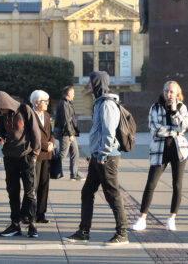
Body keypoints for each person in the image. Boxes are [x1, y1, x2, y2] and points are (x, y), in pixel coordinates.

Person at [65, 71, 129, 246]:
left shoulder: (107, 104)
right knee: (87, 192)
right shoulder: (100, 103)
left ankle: (122, 233)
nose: (88, 85)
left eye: (91, 82)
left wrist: (102, 154)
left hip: (106, 156)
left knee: (112, 194)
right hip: (98, 155)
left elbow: (109, 132)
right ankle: (83, 232)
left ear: (98, 84)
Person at [130, 80, 188, 232]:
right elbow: (154, 130)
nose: (168, 94)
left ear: (177, 93)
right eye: (166, 91)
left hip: (179, 150)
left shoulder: (181, 107)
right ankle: (142, 219)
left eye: (172, 91)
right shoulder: (155, 107)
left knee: (177, 185)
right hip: (159, 150)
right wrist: (174, 131)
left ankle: (171, 218)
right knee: (151, 184)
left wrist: (174, 112)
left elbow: (184, 126)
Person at [0, 90, 42, 238]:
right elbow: (0, 133)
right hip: (9, 157)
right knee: (12, 191)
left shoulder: (24, 109)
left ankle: (32, 224)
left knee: (29, 191)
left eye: (2, 108)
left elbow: (35, 131)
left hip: (26, 156)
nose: (1, 112)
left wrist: (35, 153)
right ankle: (15, 224)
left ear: (6, 104)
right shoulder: (2, 115)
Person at [26, 90, 54, 224]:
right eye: (44, 101)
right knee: (33, 186)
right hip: (35, 155)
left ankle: (40, 214)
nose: (47, 103)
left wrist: (52, 143)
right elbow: (31, 135)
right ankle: (27, 214)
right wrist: (44, 145)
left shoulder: (47, 115)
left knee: (44, 184)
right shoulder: (30, 115)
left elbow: (51, 133)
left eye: (47, 101)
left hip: (47, 155)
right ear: (36, 103)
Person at [53, 85, 82, 180]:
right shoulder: (64, 104)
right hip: (65, 133)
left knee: (75, 152)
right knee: (62, 154)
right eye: (73, 93)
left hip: (69, 132)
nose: (74, 95)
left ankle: (74, 174)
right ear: (68, 93)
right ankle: (47, 167)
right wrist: (70, 134)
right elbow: (65, 121)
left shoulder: (67, 103)